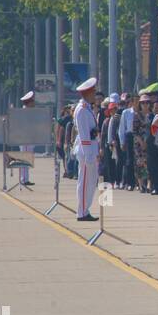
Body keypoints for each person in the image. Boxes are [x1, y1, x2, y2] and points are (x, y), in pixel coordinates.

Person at [72, 78, 100, 221]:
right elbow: (84, 135)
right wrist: (89, 155)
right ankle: (82, 212)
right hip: (85, 151)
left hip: (91, 149)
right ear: (88, 93)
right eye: (93, 91)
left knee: (91, 181)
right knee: (84, 182)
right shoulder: (82, 110)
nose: (95, 94)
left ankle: (85, 209)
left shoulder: (87, 108)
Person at [17, 90, 36, 185]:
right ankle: (23, 179)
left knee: (27, 158)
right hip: (25, 138)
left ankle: (25, 179)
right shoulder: (25, 111)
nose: (34, 103)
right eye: (32, 101)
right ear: (29, 102)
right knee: (25, 158)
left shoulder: (28, 111)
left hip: (29, 137)